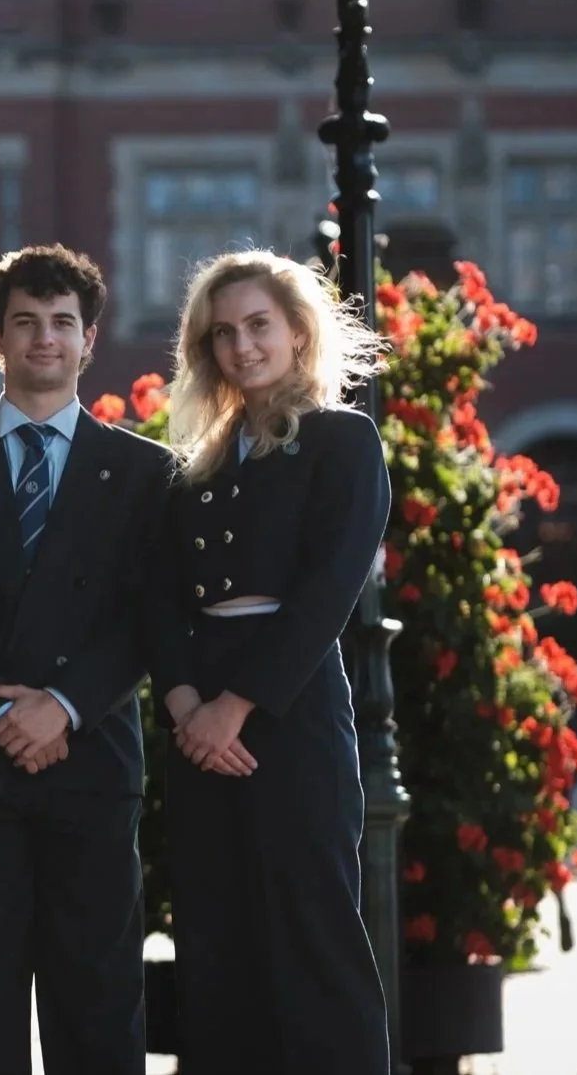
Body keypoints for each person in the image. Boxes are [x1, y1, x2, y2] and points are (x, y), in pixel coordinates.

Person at [0, 244, 171, 1075]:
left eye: (62, 322)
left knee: (100, 1004)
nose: (44, 338)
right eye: (25, 322)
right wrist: (0, 713)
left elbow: (151, 616)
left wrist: (62, 705)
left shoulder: (145, 471)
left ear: (89, 339)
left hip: (92, 763)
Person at [147, 249, 391, 1073]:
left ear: (297, 332)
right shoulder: (199, 462)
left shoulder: (342, 439)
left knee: (314, 934)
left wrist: (236, 706)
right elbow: (158, 599)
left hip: (292, 709)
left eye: (259, 326)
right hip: (196, 721)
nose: (243, 346)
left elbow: (331, 591)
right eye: (223, 333)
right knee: (216, 942)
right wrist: (187, 706)